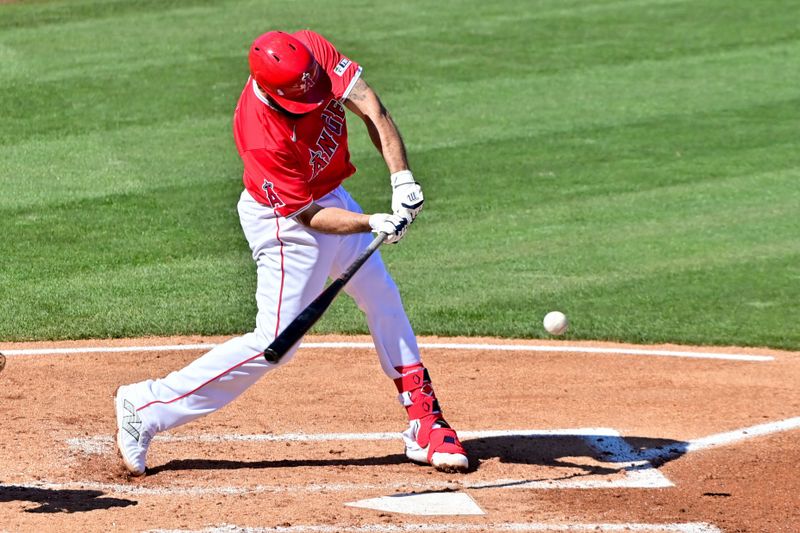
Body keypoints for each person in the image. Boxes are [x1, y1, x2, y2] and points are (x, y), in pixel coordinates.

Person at [114, 30, 469, 476]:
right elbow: (309, 217)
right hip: (286, 225)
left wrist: (402, 178)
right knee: (275, 344)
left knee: (382, 296)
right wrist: (371, 222)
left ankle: (425, 421)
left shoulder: (312, 55)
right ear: (271, 91)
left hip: (332, 195)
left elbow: (371, 108)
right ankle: (145, 406)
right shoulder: (260, 133)